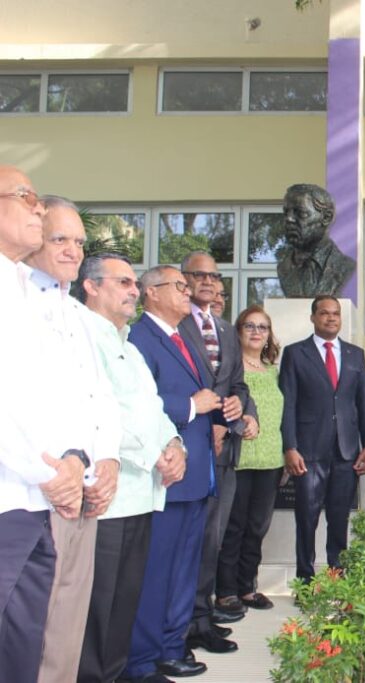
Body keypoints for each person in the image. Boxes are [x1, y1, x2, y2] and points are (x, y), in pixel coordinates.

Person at [23, 198, 123, 683]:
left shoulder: (78, 315)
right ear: (33, 239)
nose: (72, 250)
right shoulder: (18, 303)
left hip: (85, 488)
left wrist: (108, 461)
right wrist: (59, 468)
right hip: (43, 487)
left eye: (79, 242)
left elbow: (100, 395)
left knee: (69, 620)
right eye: (60, 239)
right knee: (34, 626)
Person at [76, 254, 187, 683]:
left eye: (134, 283)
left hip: (142, 493)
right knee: (97, 603)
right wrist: (153, 452)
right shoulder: (82, 336)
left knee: (125, 598)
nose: (133, 291)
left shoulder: (129, 345)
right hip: (106, 496)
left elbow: (152, 409)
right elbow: (100, 412)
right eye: (123, 282)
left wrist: (174, 445)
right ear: (91, 286)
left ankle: (119, 673)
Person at [0, 166, 89, 683]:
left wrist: (75, 461)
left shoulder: (21, 288)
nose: (37, 207)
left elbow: (52, 395)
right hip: (16, 493)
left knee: (21, 646)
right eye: (24, 196)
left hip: (35, 500)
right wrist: (51, 474)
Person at [125, 265, 222, 681]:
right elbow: (136, 400)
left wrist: (223, 409)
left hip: (196, 475)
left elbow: (205, 393)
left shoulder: (184, 337)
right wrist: (191, 406)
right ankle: (143, 660)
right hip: (165, 476)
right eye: (179, 285)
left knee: (184, 570)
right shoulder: (139, 338)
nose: (189, 291)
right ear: (151, 292)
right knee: (157, 572)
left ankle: (171, 645)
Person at [179, 251, 254, 652]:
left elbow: (237, 384)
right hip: (186, 452)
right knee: (185, 544)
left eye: (214, 276)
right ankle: (178, 626)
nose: (208, 281)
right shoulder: (175, 324)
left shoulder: (225, 329)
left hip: (224, 454)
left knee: (212, 542)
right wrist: (208, 424)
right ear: (184, 280)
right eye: (199, 275)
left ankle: (200, 619)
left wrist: (237, 411)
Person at [279, 295, 365, 583]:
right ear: (313, 317)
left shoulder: (355, 354)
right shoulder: (295, 353)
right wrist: (290, 446)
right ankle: (305, 580)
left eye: (335, 314)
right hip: (308, 450)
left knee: (339, 517)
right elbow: (288, 403)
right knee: (306, 517)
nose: (331, 318)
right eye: (324, 313)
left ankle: (337, 577)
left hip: (346, 450)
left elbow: (364, 403)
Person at [216, 305, 284, 611]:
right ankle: (226, 591)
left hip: (270, 461)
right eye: (250, 326)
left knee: (257, 528)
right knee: (234, 528)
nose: (257, 332)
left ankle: (247, 588)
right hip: (239, 460)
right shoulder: (230, 370)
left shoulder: (274, 372)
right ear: (238, 331)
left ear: (269, 335)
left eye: (262, 327)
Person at [276, 183, 356, 297]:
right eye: (286, 213)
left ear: (326, 217)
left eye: (301, 213)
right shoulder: (284, 268)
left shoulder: (345, 267)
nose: (289, 219)